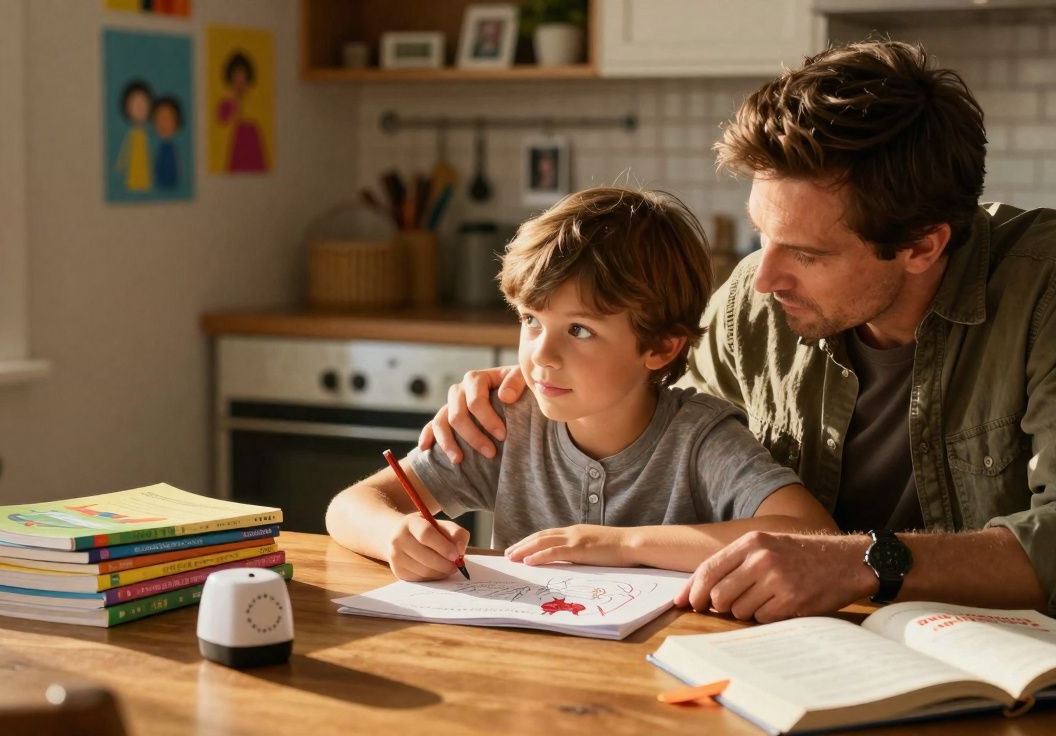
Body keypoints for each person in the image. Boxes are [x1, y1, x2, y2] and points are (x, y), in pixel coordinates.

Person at [419, 41, 1056, 620]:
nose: (762, 276)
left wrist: (863, 562)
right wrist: (532, 387)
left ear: (922, 246)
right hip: (817, 652)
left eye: (807, 254)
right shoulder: (753, 305)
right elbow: (656, 430)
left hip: (1046, 665)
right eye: (761, 234)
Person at [326, 186, 837, 582]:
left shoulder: (701, 439)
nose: (541, 355)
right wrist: (395, 534)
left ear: (661, 347)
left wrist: (620, 545)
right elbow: (349, 506)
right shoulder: (506, 423)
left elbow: (812, 536)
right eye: (531, 320)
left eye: (579, 330)